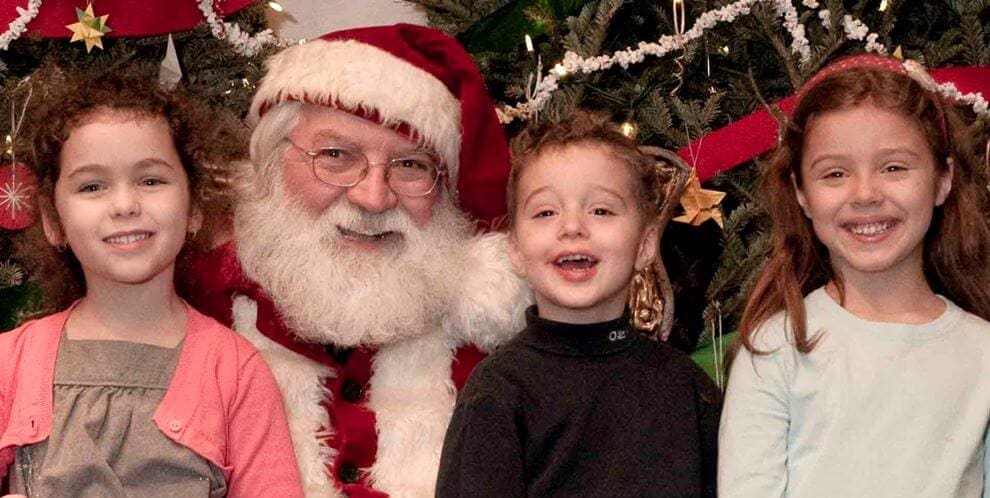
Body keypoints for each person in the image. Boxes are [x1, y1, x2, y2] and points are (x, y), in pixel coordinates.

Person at [181, 24, 530, 497]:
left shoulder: (497, 355)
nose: (372, 198)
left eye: (411, 165)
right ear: (269, 168)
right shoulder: (197, 316)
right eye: (336, 155)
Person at [0, 71, 304, 497]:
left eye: (150, 180)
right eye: (93, 186)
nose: (125, 204)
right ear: (53, 221)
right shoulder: (11, 363)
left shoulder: (236, 372)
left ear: (195, 208)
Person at [718, 54, 990, 497]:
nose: (865, 194)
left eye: (894, 167)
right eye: (836, 173)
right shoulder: (776, 349)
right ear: (802, 194)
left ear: (942, 180)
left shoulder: (982, 352)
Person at [436, 110, 721, 497]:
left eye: (600, 210)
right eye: (546, 212)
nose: (572, 227)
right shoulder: (498, 391)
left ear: (645, 245)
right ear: (516, 250)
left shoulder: (686, 387)